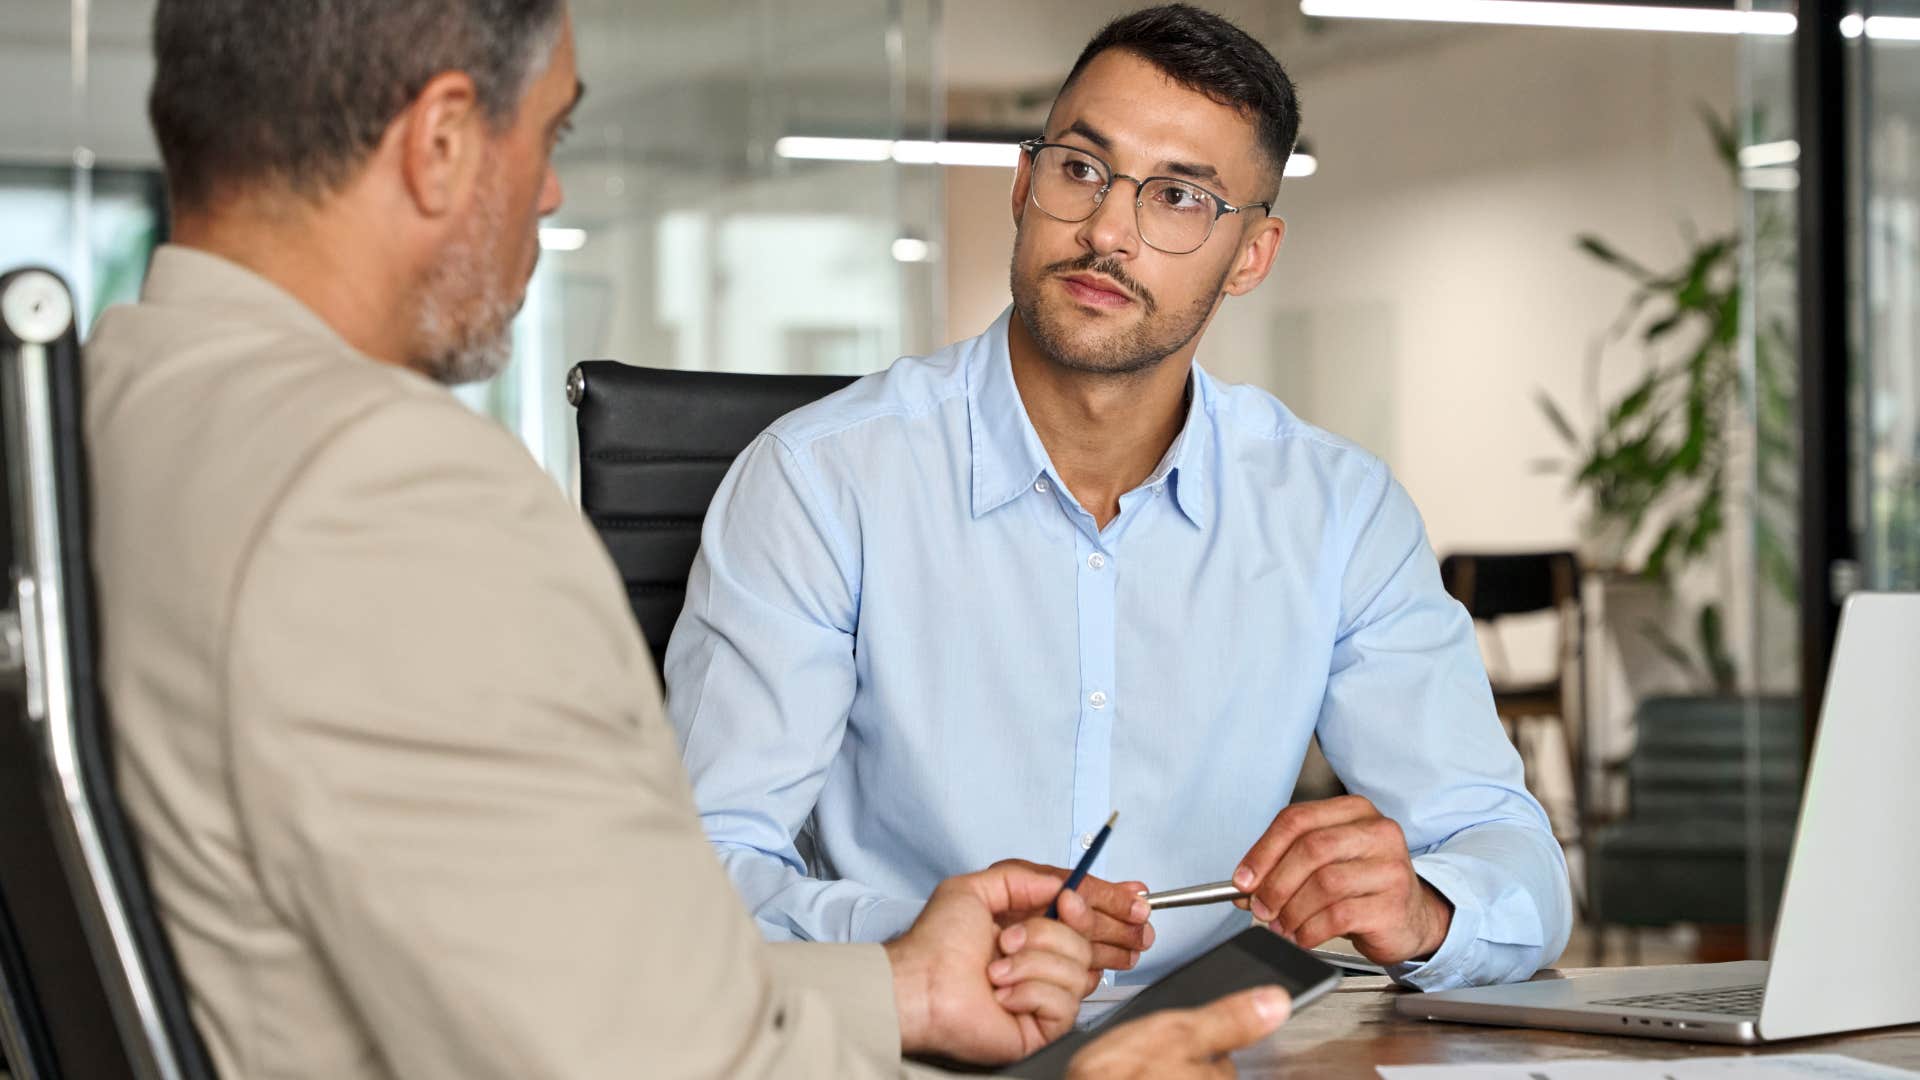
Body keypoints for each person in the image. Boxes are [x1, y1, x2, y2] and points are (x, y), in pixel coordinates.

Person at [83, 1, 1292, 1075]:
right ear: (443, 140)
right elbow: (644, 1053)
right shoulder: (387, 492)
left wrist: (903, 986)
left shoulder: (105, 420)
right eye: (548, 136)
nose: (550, 194)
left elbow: (552, 972)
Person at [667, 3, 1572, 991]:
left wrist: (1426, 908)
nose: (1107, 229)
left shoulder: (1336, 513)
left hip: (1222, 1053)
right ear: (1024, 183)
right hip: (919, 1052)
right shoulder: (821, 482)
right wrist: (921, 945)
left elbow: (1508, 851)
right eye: (1082, 169)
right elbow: (699, 871)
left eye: (1180, 197)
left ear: (1253, 257)